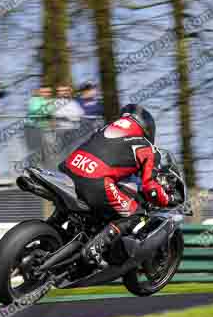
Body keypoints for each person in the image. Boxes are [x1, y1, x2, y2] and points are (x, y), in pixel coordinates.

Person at [59, 104, 179, 268]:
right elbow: (150, 188)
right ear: (148, 128)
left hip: (69, 169)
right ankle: (95, 249)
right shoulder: (147, 148)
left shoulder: (104, 129)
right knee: (136, 213)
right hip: (96, 182)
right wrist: (168, 199)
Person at [25, 86, 55, 169]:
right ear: (39, 92)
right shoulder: (34, 100)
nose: (46, 94)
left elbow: (51, 112)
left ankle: (47, 169)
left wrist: (47, 111)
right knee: (34, 150)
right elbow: (34, 110)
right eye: (44, 92)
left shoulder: (51, 101)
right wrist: (47, 110)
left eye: (48, 92)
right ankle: (32, 168)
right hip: (32, 128)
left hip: (45, 129)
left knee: (47, 151)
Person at [53, 84, 85, 161]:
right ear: (58, 92)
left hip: (74, 130)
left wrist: (69, 116)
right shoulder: (55, 103)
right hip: (61, 130)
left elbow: (80, 114)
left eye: (66, 90)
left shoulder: (74, 103)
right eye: (61, 91)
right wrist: (70, 116)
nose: (64, 92)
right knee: (62, 153)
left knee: (74, 151)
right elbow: (56, 114)